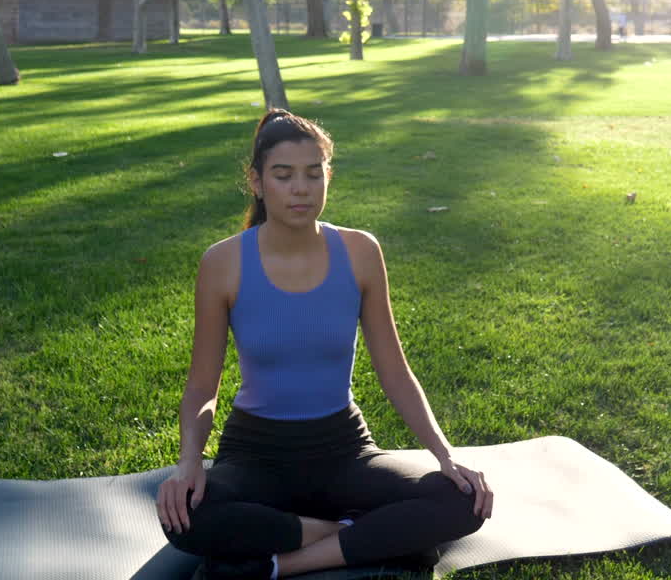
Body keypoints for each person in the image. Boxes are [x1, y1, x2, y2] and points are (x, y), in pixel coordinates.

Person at [156, 110, 493, 579]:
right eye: (284, 175)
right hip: (255, 453)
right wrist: (188, 463)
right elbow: (201, 387)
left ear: (328, 178)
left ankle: (281, 562)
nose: (301, 188)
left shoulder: (359, 252)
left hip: (343, 448)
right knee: (184, 517)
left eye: (314, 174)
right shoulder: (223, 262)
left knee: (463, 502)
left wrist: (444, 453)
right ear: (256, 182)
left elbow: (395, 372)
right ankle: (356, 535)